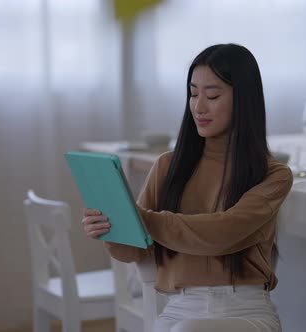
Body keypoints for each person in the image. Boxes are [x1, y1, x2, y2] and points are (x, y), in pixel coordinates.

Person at [81, 43, 293, 332]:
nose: (198, 106)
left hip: (245, 311)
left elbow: (222, 233)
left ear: (244, 100)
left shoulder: (273, 175)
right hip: (177, 309)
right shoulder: (168, 166)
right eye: (193, 94)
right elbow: (138, 251)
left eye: (213, 95)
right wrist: (113, 228)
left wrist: (141, 218)